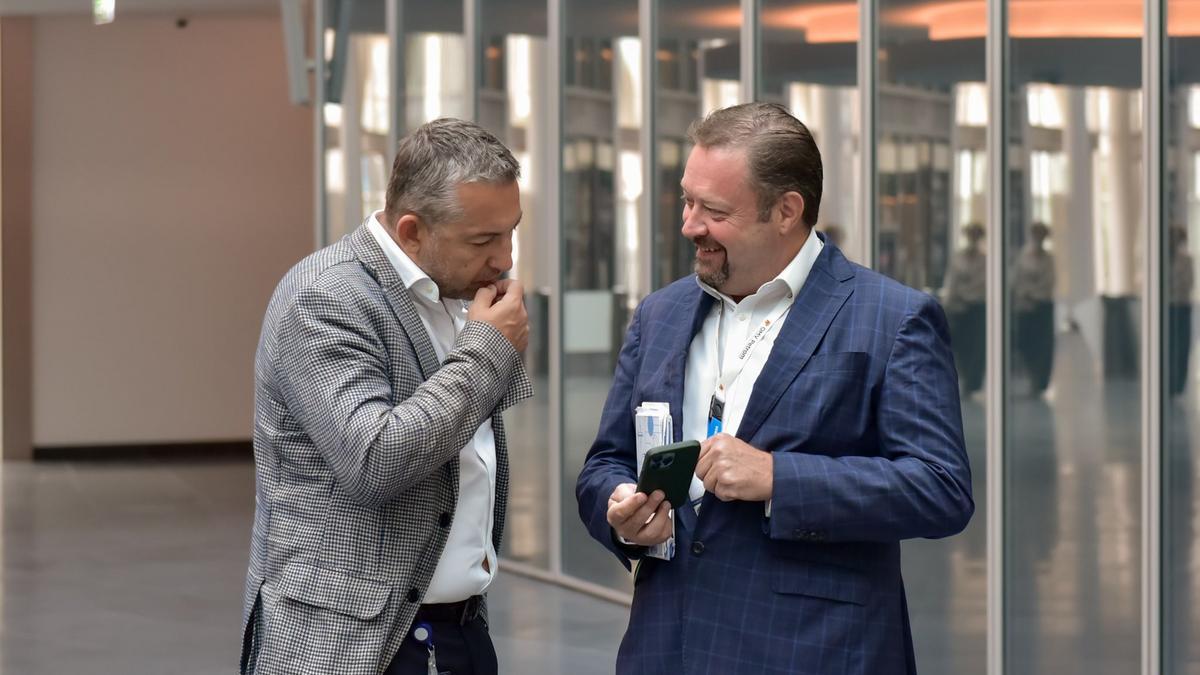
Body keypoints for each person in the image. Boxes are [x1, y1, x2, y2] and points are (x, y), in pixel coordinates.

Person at [575, 102, 973, 674]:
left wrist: (779, 478)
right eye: (687, 201)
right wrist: (620, 509)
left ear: (787, 211)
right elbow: (605, 463)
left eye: (714, 210)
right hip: (667, 648)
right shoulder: (659, 314)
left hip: (815, 652)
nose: (689, 225)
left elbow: (940, 489)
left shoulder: (893, 318)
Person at [239, 118, 532, 675]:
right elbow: (376, 461)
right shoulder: (324, 297)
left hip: (460, 629)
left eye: (510, 231)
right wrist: (489, 349)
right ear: (411, 231)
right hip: (347, 644)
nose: (505, 258)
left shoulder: (455, 291)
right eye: (483, 240)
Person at [942, 221, 987, 395]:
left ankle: (971, 383)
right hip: (957, 308)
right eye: (970, 235)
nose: (972, 239)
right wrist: (947, 303)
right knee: (958, 347)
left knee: (974, 348)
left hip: (975, 309)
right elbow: (951, 281)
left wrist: (965, 293)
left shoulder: (984, 260)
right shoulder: (958, 257)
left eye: (975, 236)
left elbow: (980, 284)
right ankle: (959, 379)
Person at [1012, 222, 1057, 395]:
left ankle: (1039, 382)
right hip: (1024, 308)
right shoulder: (1023, 257)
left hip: (1042, 308)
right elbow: (1017, 281)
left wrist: (1033, 294)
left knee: (1042, 348)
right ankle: (1031, 377)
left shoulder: (1048, 259)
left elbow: (1048, 283)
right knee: (1026, 344)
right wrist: (1025, 295)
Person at [1170, 224, 1194, 397]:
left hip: (1182, 306)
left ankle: (1179, 383)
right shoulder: (1162, 259)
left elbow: (1188, 283)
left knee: (1182, 345)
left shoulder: (1186, 260)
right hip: (1169, 307)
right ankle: (1169, 381)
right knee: (1170, 346)